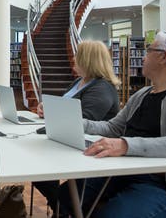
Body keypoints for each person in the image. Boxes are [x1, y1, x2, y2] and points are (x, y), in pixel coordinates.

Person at [58, 32, 166, 218]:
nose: (143, 56)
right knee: (65, 196)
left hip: (162, 184)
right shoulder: (142, 94)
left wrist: (125, 145)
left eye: (148, 51)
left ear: (163, 57)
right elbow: (111, 128)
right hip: (121, 170)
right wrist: (74, 122)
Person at [35, 40, 120, 214]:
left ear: (87, 60)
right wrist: (47, 107)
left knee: (37, 166)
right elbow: (64, 107)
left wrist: (53, 114)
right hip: (65, 140)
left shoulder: (102, 88)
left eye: (77, 56)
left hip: (85, 149)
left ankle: (61, 207)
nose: (74, 59)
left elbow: (84, 119)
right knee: (34, 165)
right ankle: (60, 206)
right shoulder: (80, 82)